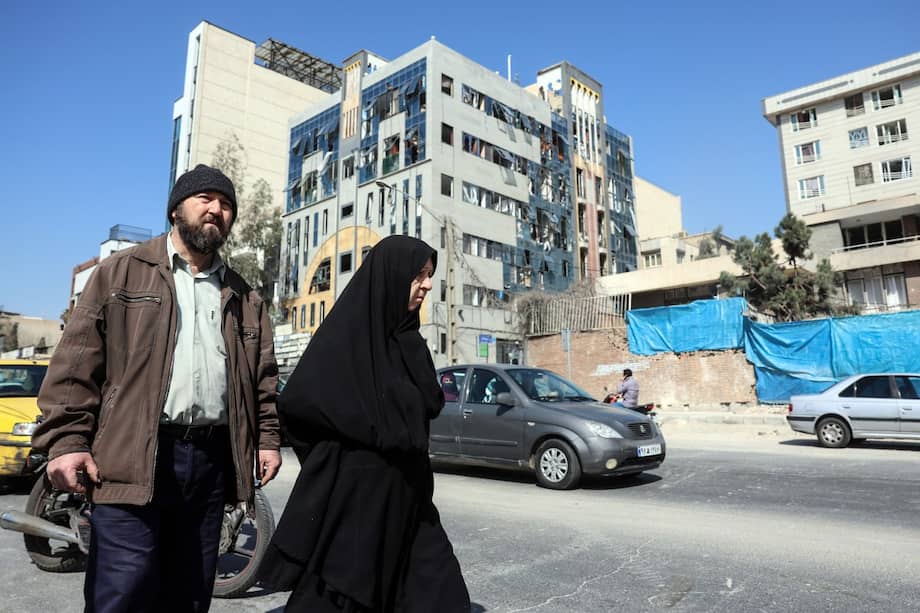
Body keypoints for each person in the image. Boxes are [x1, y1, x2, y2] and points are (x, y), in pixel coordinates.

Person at [32, 164, 282, 613]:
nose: (216, 210)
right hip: (130, 456)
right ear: (175, 210)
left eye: (226, 205)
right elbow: (76, 363)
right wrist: (66, 441)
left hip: (208, 463)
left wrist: (266, 440)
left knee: (189, 590)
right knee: (123, 590)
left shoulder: (245, 298)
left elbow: (261, 380)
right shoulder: (120, 274)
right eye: (205, 199)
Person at [259, 235, 470, 612]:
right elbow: (300, 404)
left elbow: (425, 405)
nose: (426, 284)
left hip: (412, 497)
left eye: (429, 275)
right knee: (343, 595)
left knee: (440, 592)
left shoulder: (411, 344)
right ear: (391, 277)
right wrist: (352, 444)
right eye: (418, 275)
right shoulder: (346, 341)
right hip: (358, 502)